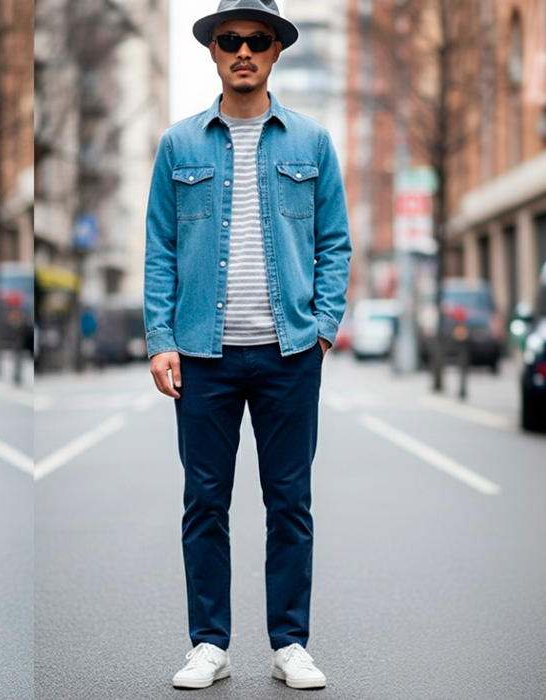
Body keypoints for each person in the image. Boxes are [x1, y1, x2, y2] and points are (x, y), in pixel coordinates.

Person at [143, 0, 351, 690]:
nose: (242, 51)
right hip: (204, 355)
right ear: (211, 51)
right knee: (205, 500)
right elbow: (160, 251)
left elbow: (334, 244)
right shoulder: (179, 145)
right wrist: (161, 339)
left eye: (256, 41)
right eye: (228, 40)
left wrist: (321, 329)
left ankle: (290, 644)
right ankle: (209, 643)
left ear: (276, 51)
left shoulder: (312, 142)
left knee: (289, 501)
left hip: (289, 353)